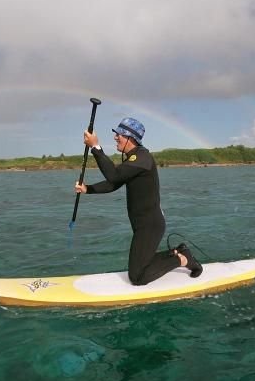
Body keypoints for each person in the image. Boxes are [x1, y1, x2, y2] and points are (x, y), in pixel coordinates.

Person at [74, 117, 202, 285]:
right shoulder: (133, 159)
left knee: (138, 277)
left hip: (150, 225)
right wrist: (88, 189)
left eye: (119, 134)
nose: (115, 137)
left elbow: (113, 175)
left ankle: (183, 259)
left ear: (130, 137)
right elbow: (114, 183)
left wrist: (96, 147)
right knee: (139, 267)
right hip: (143, 224)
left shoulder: (142, 158)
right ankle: (179, 252)